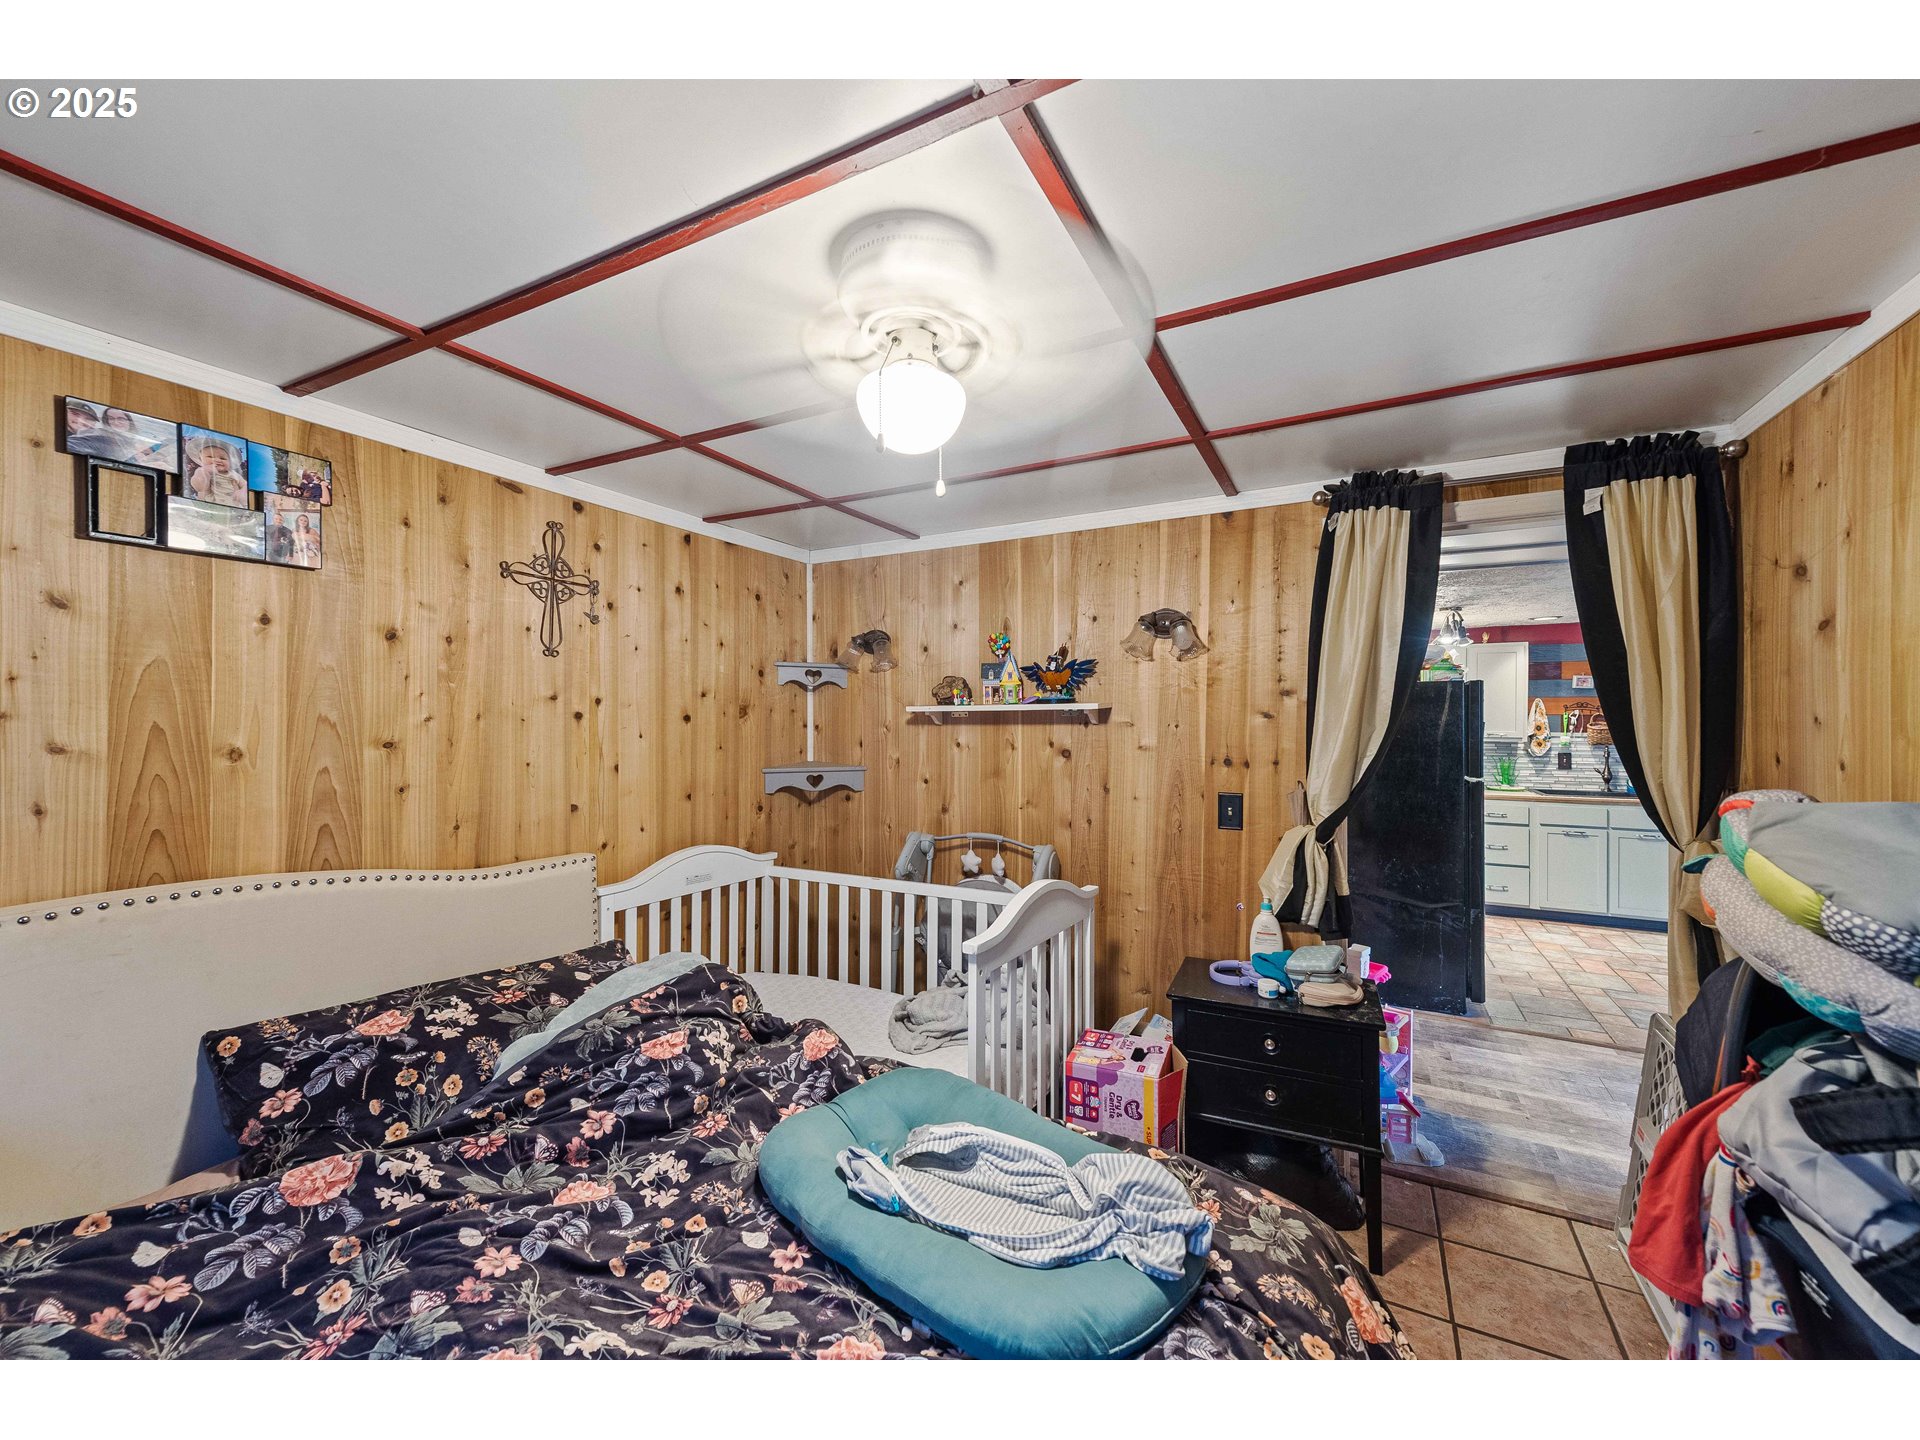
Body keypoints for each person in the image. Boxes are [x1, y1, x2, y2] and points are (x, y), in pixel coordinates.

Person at [64, 399, 134, 460]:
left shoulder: (129, 442)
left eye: (88, 419)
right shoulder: (96, 439)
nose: (81, 420)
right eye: (75, 414)